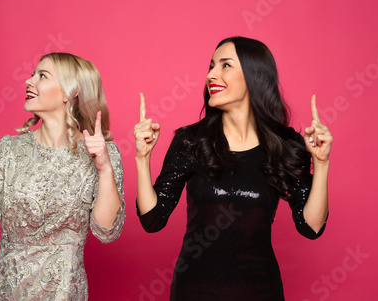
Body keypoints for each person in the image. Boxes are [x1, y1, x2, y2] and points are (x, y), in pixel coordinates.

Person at [134, 37, 332, 300]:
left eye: (225, 66)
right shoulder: (191, 141)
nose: (211, 75)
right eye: (211, 66)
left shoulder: (284, 145)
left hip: (260, 291)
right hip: (194, 290)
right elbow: (152, 220)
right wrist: (142, 157)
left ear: (254, 76)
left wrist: (321, 163)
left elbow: (311, 227)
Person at [0, 52, 125, 300]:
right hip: (6, 291)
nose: (29, 82)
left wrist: (104, 168)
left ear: (70, 92)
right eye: (32, 75)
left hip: (64, 292)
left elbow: (106, 232)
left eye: (42, 76)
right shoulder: (9, 149)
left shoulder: (102, 152)